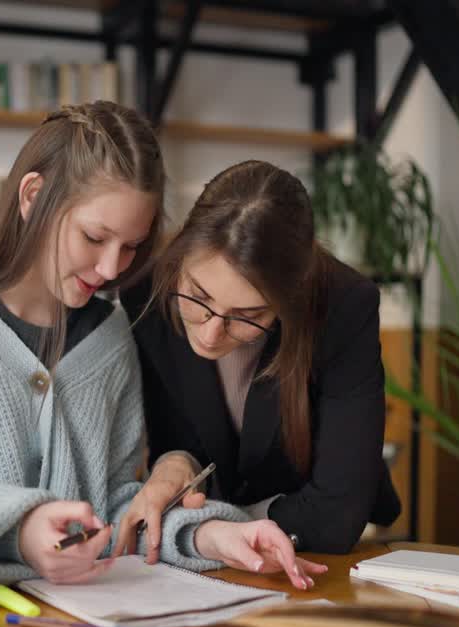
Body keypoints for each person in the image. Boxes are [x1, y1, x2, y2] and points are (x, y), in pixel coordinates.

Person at [0, 104, 322, 591]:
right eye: (94, 237)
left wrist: (212, 536)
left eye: (132, 246)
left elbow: (115, 510)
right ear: (33, 195)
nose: (113, 268)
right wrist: (20, 533)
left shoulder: (111, 337)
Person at [115, 160, 401, 564]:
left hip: (315, 553)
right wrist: (175, 465)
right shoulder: (144, 294)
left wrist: (219, 528)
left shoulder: (343, 305)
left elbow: (336, 515)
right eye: (198, 296)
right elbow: (179, 438)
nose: (211, 333)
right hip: (211, 558)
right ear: (181, 254)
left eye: (248, 316)